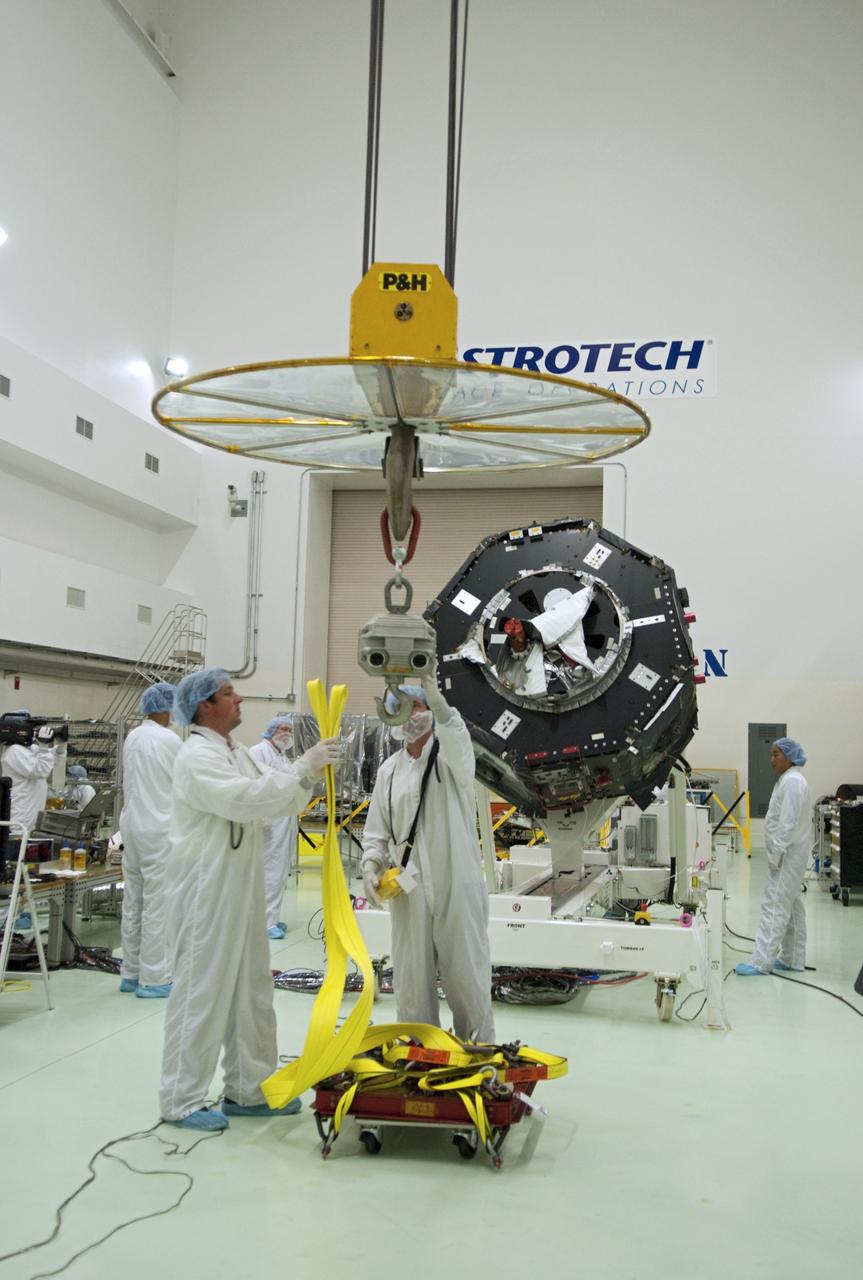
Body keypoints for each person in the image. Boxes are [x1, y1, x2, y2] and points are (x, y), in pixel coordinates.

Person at [159, 668, 342, 1131]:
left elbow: (275, 800)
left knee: (252, 990)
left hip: (240, 885)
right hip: (207, 889)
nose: (238, 698)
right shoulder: (197, 756)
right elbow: (244, 799)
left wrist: (308, 775)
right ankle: (181, 1098)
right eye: (228, 693)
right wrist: (303, 767)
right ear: (205, 706)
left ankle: (249, 1087)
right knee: (203, 990)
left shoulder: (233, 751)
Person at [361, 679, 495, 1042]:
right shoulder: (389, 770)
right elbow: (377, 831)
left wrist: (441, 706)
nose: (410, 716)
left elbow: (458, 741)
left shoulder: (450, 756)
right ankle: (420, 1055)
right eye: (401, 708)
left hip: (457, 882)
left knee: (467, 977)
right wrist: (371, 866)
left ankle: (479, 1056)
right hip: (410, 888)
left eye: (417, 707)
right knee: (411, 980)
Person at [118, 683, 180, 998]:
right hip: (159, 829)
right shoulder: (169, 740)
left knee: (135, 900)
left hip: (132, 826)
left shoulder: (133, 736)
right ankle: (154, 978)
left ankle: (130, 972)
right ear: (166, 708)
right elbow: (186, 781)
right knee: (159, 904)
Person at [737, 738, 810, 975]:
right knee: (792, 906)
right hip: (791, 854)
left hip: (787, 855)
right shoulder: (790, 780)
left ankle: (761, 961)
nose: (771, 760)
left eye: (776, 754)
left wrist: (777, 851)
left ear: (789, 756)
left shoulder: (793, 782)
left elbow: (787, 822)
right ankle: (792, 958)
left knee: (775, 904)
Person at [249, 714, 297, 940]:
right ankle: (265, 923)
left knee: (277, 873)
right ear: (271, 730)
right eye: (282, 729)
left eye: (289, 729)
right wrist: (259, 815)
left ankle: (272, 918)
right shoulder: (259, 751)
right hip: (268, 824)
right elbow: (251, 783)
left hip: (282, 824)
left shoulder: (282, 755)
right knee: (268, 872)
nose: (286, 733)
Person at [0, 710, 56, 838]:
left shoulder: (29, 749)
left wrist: (61, 746)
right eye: (32, 728)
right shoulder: (14, 751)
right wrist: (43, 746)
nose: (34, 732)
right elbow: (41, 770)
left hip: (30, 817)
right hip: (20, 819)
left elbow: (50, 758)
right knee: (17, 855)